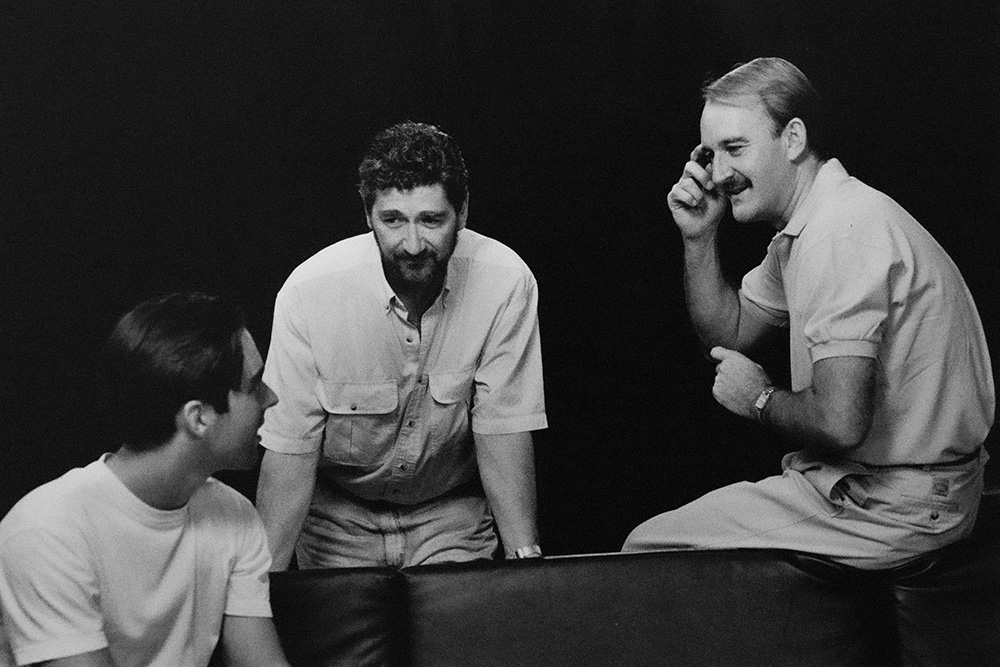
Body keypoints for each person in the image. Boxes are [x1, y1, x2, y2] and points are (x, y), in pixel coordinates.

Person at [623, 57, 994, 569]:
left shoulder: (840, 232)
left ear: (793, 139)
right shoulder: (812, 225)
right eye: (711, 154)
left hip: (899, 504)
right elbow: (729, 330)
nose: (720, 173)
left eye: (736, 148)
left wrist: (759, 398)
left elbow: (841, 424)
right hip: (889, 488)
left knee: (647, 550)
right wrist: (699, 236)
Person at [256, 121, 547, 569]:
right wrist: (262, 589)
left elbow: (503, 430)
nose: (412, 244)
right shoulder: (309, 292)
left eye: (431, 220)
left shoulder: (505, 282)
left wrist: (525, 564)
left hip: (450, 517)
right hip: (338, 520)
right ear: (367, 215)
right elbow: (289, 451)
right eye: (392, 221)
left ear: (463, 212)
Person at [0, 293, 291, 667]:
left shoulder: (233, 514)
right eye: (254, 386)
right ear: (198, 418)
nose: (272, 398)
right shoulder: (45, 534)